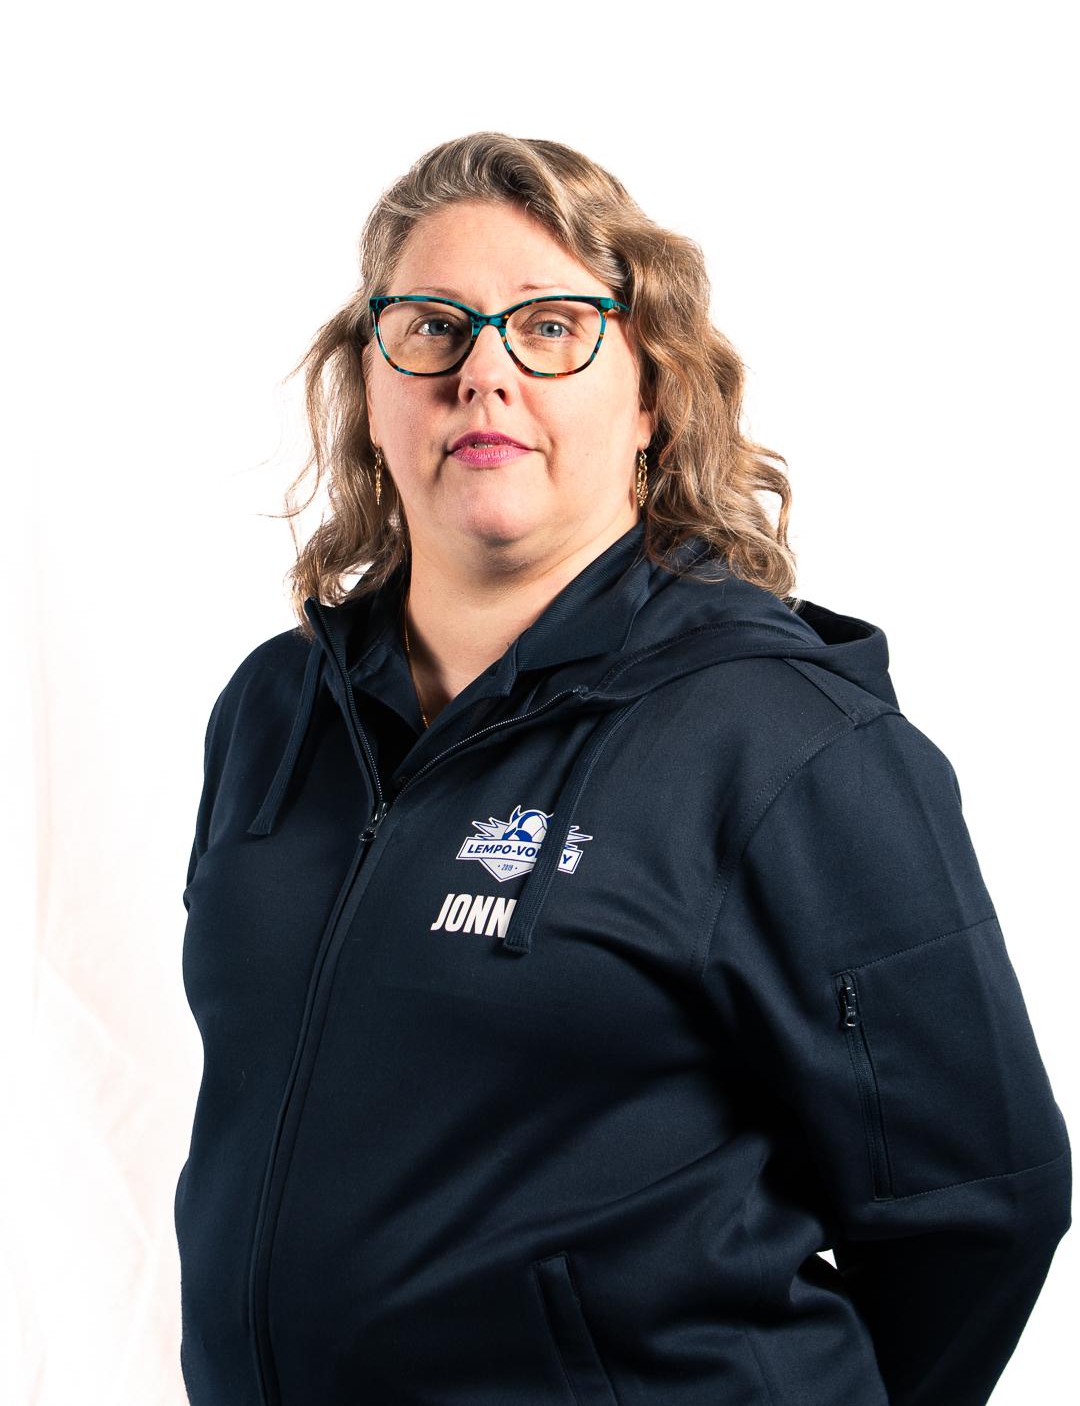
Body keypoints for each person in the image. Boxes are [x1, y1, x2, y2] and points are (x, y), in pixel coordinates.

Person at [174, 132, 1071, 1406]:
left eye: (551, 328)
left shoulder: (782, 740)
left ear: (649, 396)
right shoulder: (276, 712)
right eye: (431, 327)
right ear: (369, 386)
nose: (483, 373)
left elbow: (979, 1202)